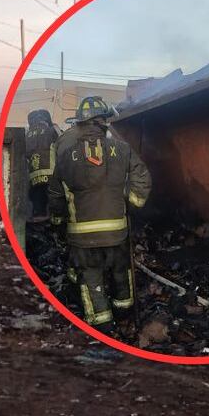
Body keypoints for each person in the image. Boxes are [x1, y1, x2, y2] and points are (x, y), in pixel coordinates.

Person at [47, 96, 151, 338]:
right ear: (104, 122)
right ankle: (124, 314)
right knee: (120, 271)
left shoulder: (65, 157)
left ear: (80, 124)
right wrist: (132, 201)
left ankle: (103, 327)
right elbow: (142, 177)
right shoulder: (122, 149)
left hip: (81, 238)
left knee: (90, 278)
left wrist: (59, 222)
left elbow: (55, 195)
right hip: (117, 232)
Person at [25, 109, 59, 221]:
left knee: (38, 210)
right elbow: (63, 143)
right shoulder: (52, 130)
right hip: (51, 176)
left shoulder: (27, 135)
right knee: (54, 208)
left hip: (34, 179)